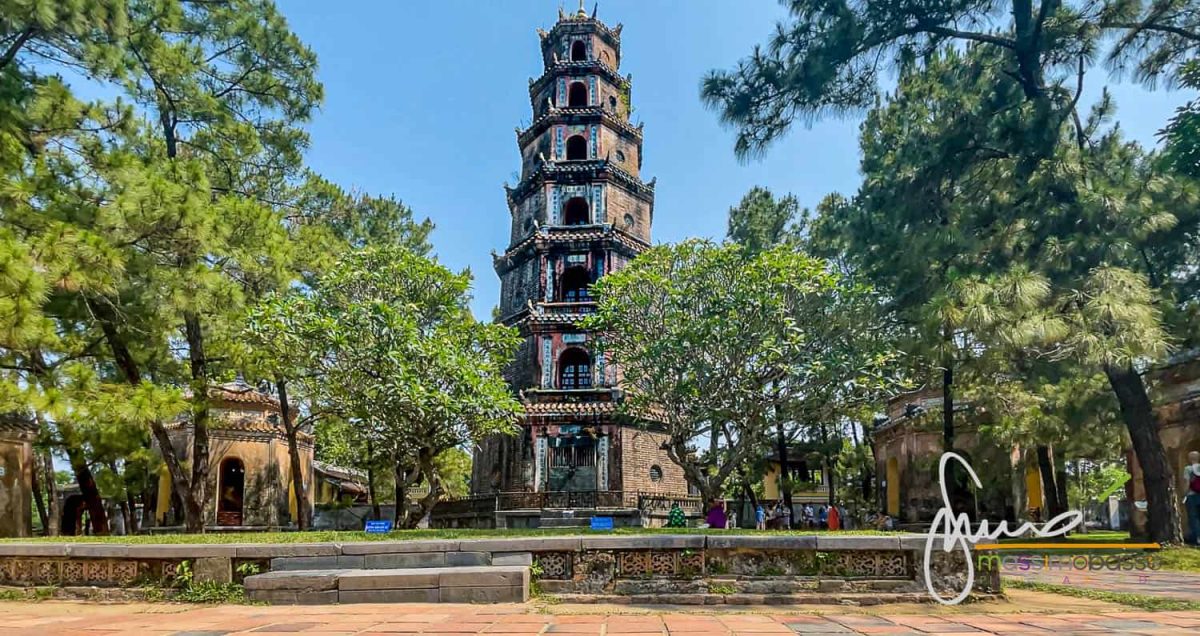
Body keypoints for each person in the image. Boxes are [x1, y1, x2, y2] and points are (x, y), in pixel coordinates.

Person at [1185, 450, 1200, 546]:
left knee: (1193, 517)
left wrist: (1184, 494)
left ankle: (1196, 538)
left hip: (1192, 495)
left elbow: (1187, 483)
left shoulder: (1188, 468)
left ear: (1190, 459)